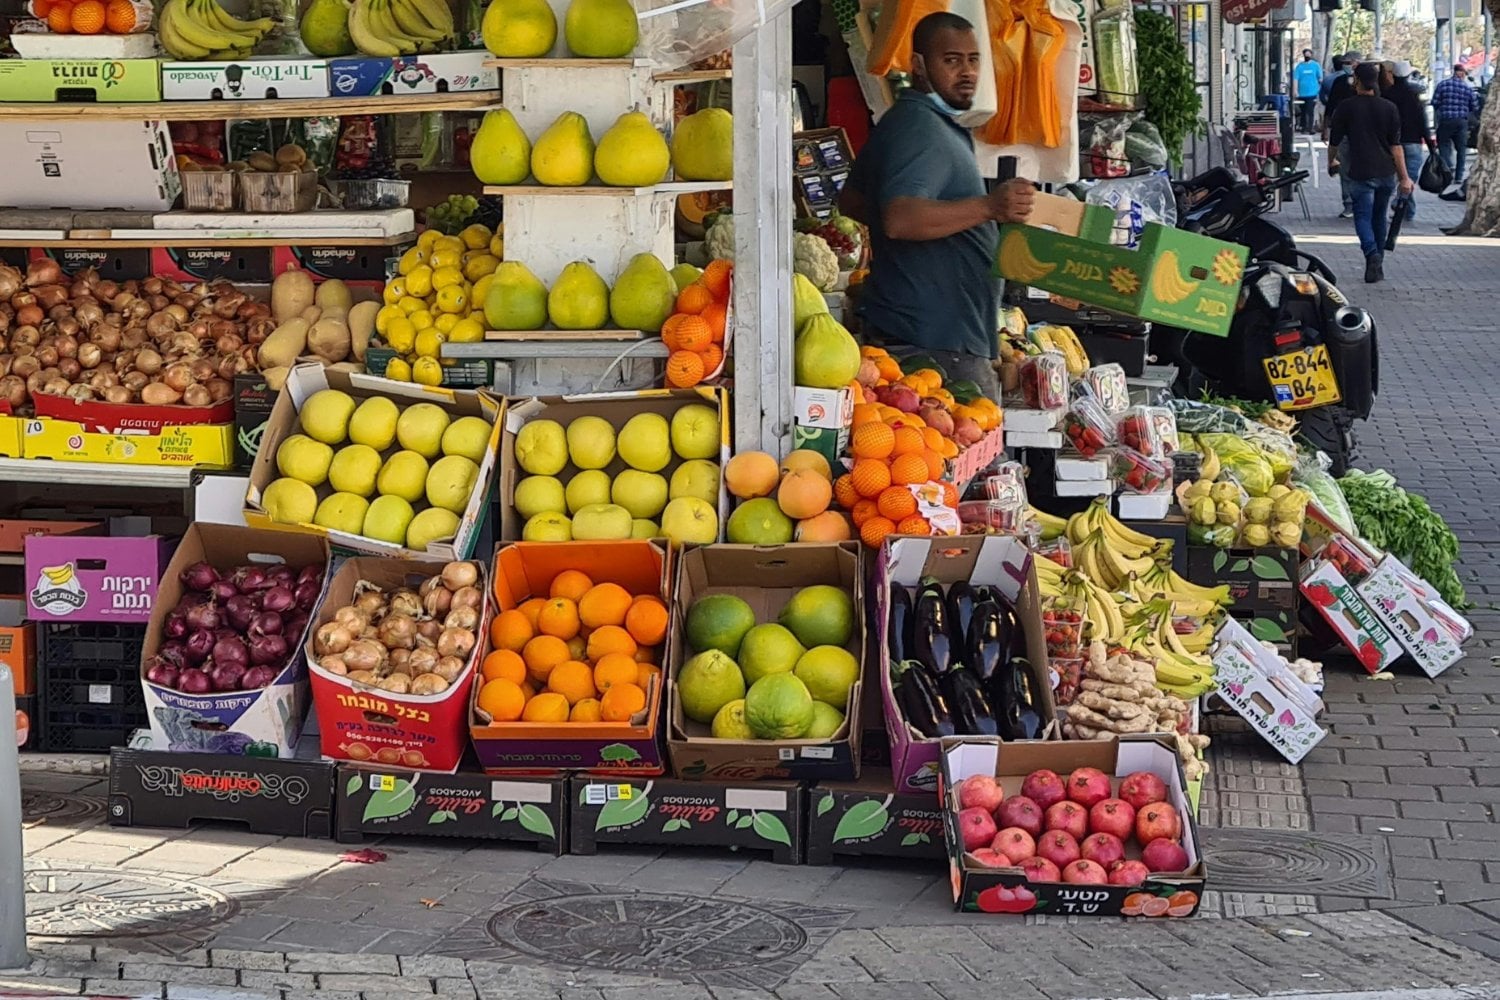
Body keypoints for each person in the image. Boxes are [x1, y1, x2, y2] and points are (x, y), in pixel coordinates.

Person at [839, 11, 1035, 401]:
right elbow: (899, 218)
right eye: (951, 60)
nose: (966, 72)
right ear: (918, 66)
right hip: (931, 345)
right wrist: (988, 208)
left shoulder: (923, 122)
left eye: (973, 59)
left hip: (940, 338)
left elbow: (854, 200)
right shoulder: (918, 128)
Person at [1328, 62, 1414, 284]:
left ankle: (1371, 254)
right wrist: (1404, 177)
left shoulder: (1346, 107)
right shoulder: (1389, 107)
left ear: (1356, 80)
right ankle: (1377, 266)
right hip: (1386, 172)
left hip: (1359, 171)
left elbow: (1334, 141)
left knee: (1362, 216)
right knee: (1379, 217)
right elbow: (1396, 146)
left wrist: (1332, 161)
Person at [1381, 60, 1429, 220]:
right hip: (1414, 142)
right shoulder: (1414, 95)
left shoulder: (1387, 95)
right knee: (1410, 177)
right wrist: (1430, 144)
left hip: (1392, 143)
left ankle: (1405, 208)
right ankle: (1402, 203)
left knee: (1399, 177)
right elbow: (1422, 121)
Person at [1324, 51, 1362, 218]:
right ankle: (1349, 203)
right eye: (1345, 62)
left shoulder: (1368, 83)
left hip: (1363, 134)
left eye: (1350, 62)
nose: (1346, 65)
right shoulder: (1339, 81)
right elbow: (1330, 105)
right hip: (1343, 132)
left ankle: (1360, 202)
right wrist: (1326, 128)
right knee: (1345, 168)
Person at [1432, 64, 1480, 183]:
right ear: (1462, 73)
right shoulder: (1467, 88)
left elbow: (1435, 102)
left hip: (1446, 120)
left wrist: (1443, 109)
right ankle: (1458, 177)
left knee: (1443, 145)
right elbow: (1475, 106)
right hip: (1461, 122)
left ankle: (1446, 171)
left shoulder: (1442, 85)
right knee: (1461, 150)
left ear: (1454, 72)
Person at [1293, 49, 1324, 133]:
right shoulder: (1299, 66)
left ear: (1311, 55)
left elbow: (1320, 78)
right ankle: (1303, 127)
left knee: (1310, 110)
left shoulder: (1316, 65)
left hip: (1312, 92)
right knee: (1303, 111)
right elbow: (1295, 79)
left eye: (1308, 54)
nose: (1307, 56)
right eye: (1305, 55)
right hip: (1302, 93)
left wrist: (1321, 89)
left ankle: (1310, 127)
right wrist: (1295, 91)